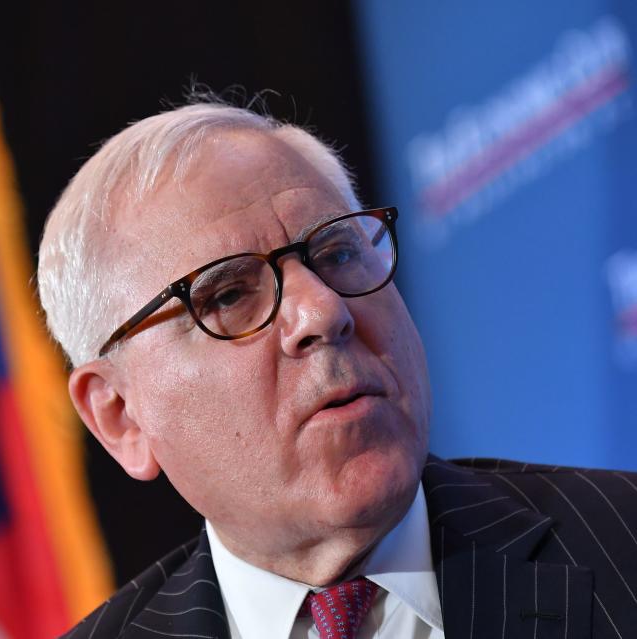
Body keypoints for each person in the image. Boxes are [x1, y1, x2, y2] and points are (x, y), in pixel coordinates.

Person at [37, 101, 637, 638]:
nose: (322, 311)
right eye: (226, 296)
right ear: (121, 417)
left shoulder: (621, 545)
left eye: (338, 252)